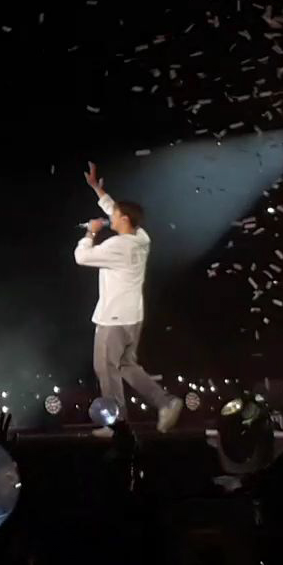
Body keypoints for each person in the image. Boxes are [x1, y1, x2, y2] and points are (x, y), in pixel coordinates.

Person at [76, 162, 183, 435]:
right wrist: (98, 189)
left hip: (113, 318)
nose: (111, 218)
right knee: (126, 365)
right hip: (132, 317)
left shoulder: (117, 246)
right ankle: (165, 402)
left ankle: (116, 424)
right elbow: (114, 209)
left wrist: (90, 233)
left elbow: (81, 257)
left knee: (105, 367)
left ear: (124, 219)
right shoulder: (142, 238)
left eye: (115, 216)